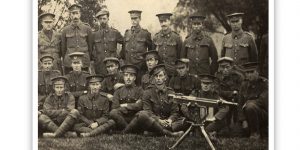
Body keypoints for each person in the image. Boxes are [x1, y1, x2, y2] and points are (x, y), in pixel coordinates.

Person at [125, 64, 184, 137]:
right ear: (154, 78)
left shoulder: (171, 92)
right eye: (156, 76)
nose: (158, 78)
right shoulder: (148, 92)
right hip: (153, 120)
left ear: (165, 77)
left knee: (184, 121)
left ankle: (154, 132)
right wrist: (159, 120)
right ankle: (170, 134)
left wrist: (170, 120)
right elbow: (148, 110)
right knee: (143, 114)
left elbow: (175, 111)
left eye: (160, 76)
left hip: (167, 122)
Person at [186, 74, 229, 140]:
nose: (206, 85)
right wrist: (192, 117)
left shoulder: (215, 95)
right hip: (197, 121)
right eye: (204, 83)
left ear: (211, 84)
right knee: (198, 135)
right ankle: (209, 133)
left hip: (210, 122)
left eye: (208, 83)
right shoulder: (195, 93)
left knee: (217, 126)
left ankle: (210, 132)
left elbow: (225, 107)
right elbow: (184, 104)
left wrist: (215, 118)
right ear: (201, 84)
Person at [120, 10, 153, 84]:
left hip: (140, 68)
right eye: (132, 19)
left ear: (140, 19)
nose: (133, 21)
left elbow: (151, 52)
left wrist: (145, 65)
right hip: (128, 67)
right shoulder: (127, 33)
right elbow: (123, 52)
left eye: (135, 18)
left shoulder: (145, 34)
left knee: (139, 87)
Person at [109, 64, 143, 132]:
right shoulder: (118, 90)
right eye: (126, 75)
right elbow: (114, 107)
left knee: (142, 114)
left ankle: (125, 130)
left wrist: (125, 105)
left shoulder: (139, 90)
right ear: (123, 77)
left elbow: (140, 106)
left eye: (131, 75)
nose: (128, 78)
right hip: (122, 117)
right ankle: (130, 129)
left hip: (134, 117)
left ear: (135, 78)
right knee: (113, 112)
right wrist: (133, 106)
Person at [238, 62, 268, 139]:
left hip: (262, 115)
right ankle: (252, 130)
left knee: (250, 106)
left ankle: (255, 133)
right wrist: (243, 120)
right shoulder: (244, 84)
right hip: (248, 115)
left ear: (257, 72)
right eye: (247, 72)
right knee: (236, 133)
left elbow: (262, 101)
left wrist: (249, 102)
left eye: (252, 72)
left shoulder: (264, 83)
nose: (249, 75)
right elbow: (240, 103)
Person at [61, 4, 93, 74]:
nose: (75, 16)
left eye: (77, 13)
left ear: (80, 14)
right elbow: (63, 49)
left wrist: (87, 58)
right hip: (70, 62)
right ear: (70, 15)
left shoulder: (87, 28)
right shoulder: (65, 30)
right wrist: (66, 59)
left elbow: (90, 47)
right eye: (73, 13)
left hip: (84, 62)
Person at [92, 10, 124, 75]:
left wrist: (120, 55)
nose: (102, 21)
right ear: (98, 20)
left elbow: (125, 43)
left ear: (108, 19)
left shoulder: (115, 33)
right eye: (100, 19)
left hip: (113, 64)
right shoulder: (94, 34)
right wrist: (95, 58)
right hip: (100, 65)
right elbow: (90, 48)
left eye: (104, 18)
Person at [153, 13, 182, 77]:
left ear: (169, 21)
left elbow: (180, 56)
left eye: (165, 21)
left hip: (173, 71)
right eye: (161, 22)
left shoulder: (176, 37)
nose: (163, 24)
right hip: (159, 71)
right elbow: (153, 55)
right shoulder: (156, 37)